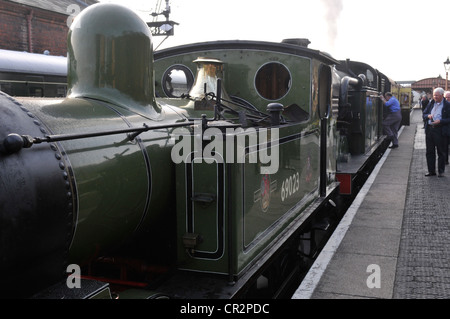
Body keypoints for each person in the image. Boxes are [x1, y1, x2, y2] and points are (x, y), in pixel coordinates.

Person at [422, 88, 450, 177]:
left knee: (441, 151)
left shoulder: (447, 105)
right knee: (429, 151)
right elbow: (424, 114)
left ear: (442, 95)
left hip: (440, 130)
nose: (435, 97)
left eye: (437, 95)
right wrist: (428, 116)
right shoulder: (431, 103)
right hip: (430, 129)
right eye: (434, 95)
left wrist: (440, 121)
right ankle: (431, 171)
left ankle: (441, 171)